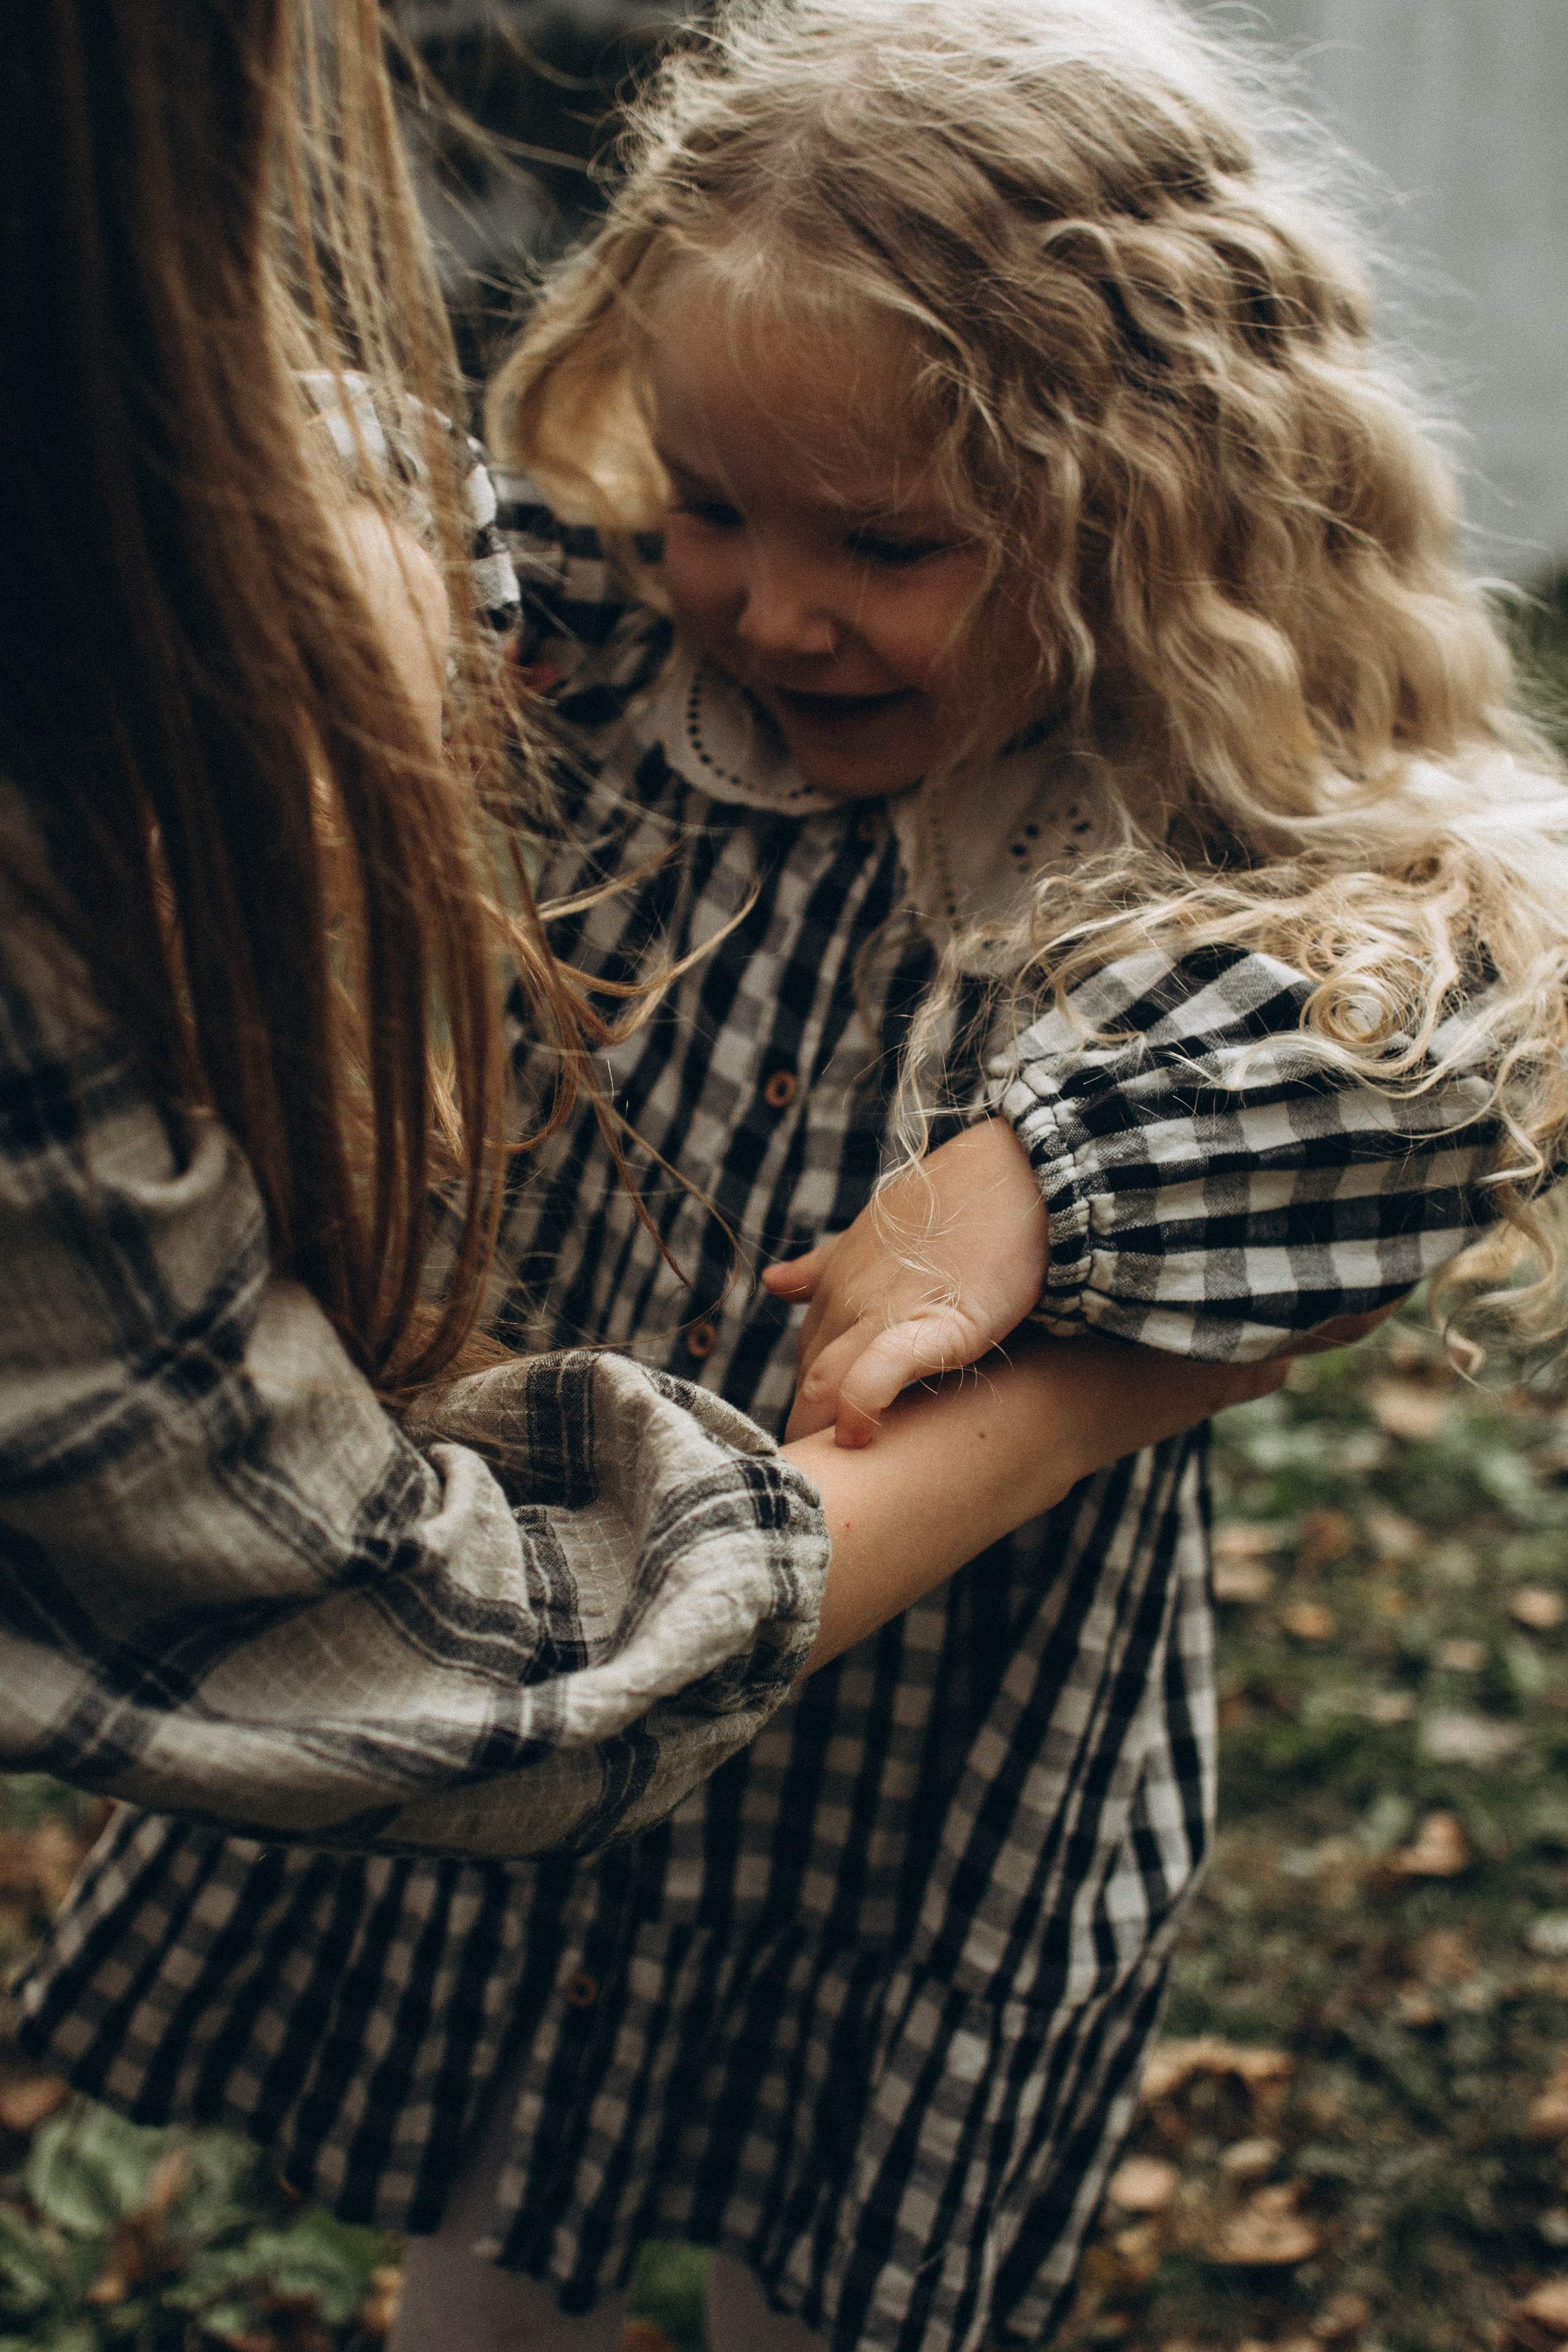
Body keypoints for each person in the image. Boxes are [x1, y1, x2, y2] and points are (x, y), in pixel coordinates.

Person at [17, 1, 1562, 2348]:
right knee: (493, 2220)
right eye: (719, 499)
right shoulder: (601, 649)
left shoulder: (1195, 807)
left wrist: (1031, 1177)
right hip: (560, 1592)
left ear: (1143, 514)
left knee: (822, 2286)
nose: (775, 605)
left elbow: (1472, 1013)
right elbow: (296, 512)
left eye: (890, 543)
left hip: (937, 1740)